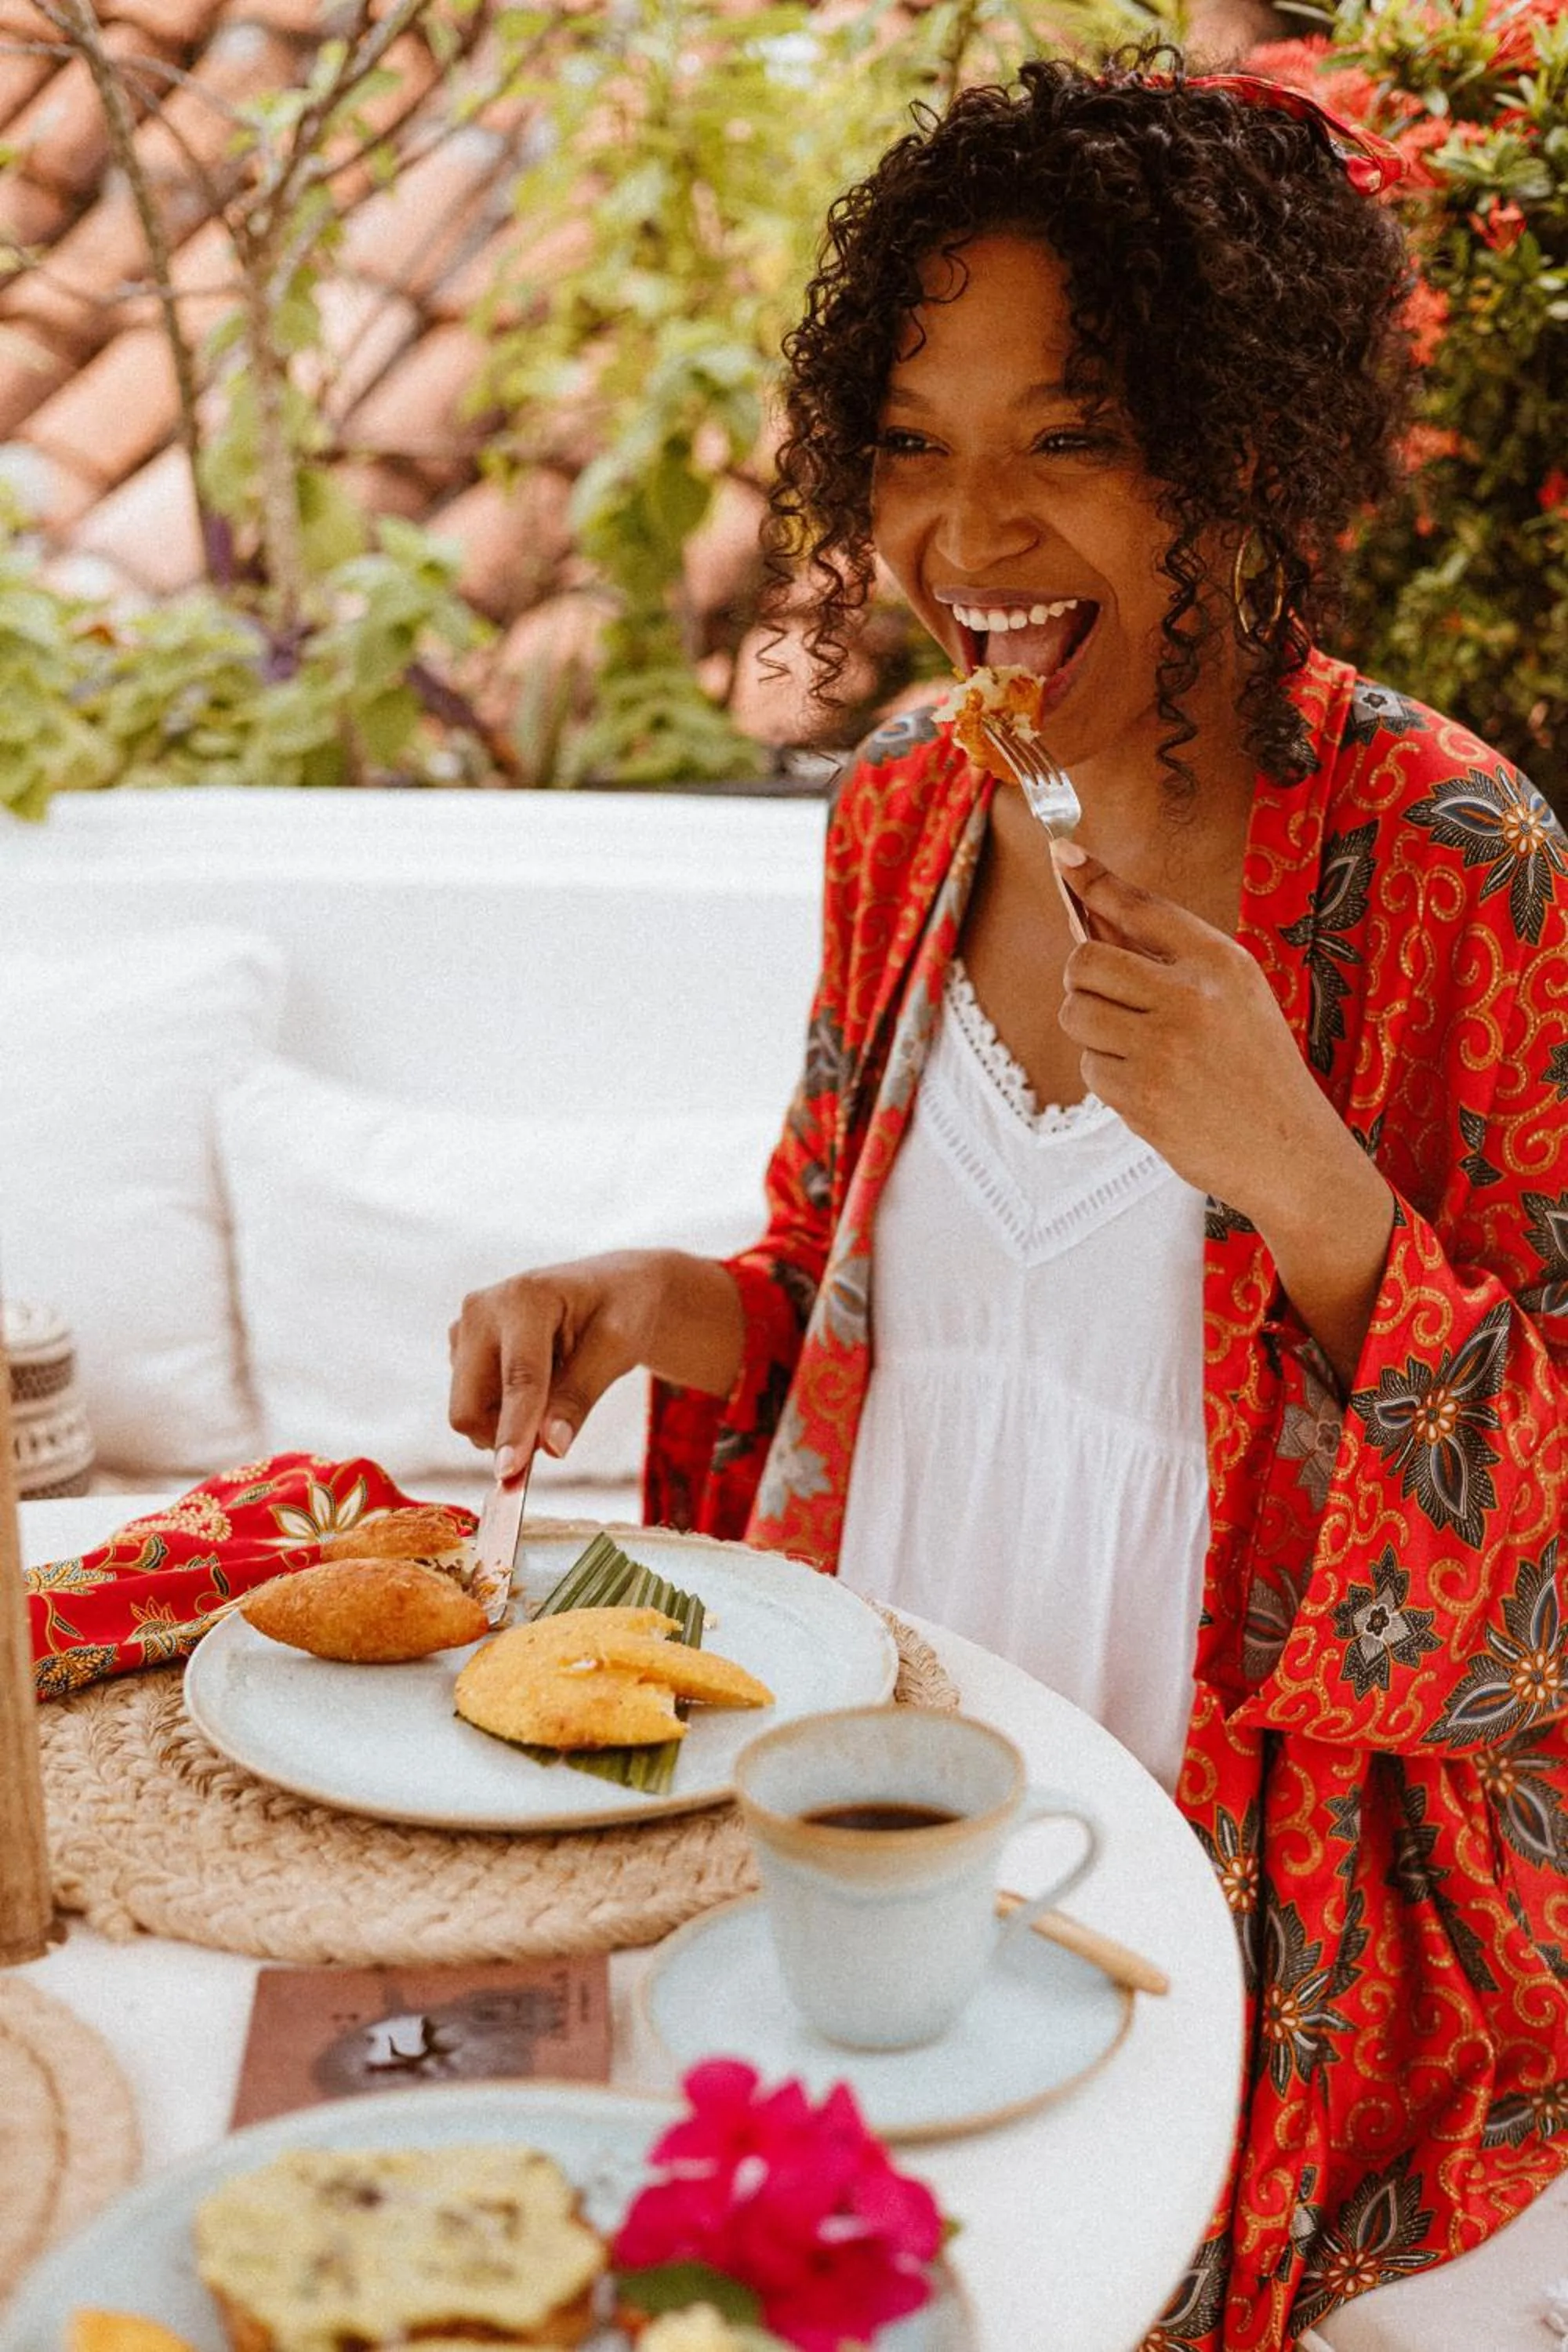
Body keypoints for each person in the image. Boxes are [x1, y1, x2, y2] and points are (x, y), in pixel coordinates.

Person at [448, 47, 1568, 2350]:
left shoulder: (1461, 869)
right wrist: (649, 1297)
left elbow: (1547, 1573)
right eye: (913, 450)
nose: (968, 542)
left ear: (1236, 456)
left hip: (1229, 1870)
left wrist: (1308, 1178)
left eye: (1065, 440)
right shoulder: (900, 817)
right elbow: (843, 1302)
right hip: (888, 1793)